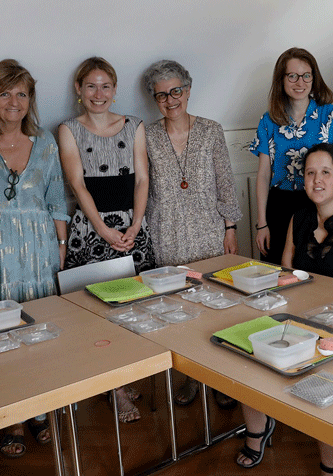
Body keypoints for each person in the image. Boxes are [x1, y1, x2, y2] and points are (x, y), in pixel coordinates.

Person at [238, 144, 333, 476]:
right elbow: (287, 276)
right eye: (310, 173)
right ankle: (259, 425)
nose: (317, 180)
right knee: (249, 349)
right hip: (308, 320)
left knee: (323, 375)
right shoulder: (300, 216)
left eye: (326, 172)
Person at [0, 59, 68, 457]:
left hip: (39, 246)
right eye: (5, 93)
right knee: (2, 333)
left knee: (38, 330)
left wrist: (60, 250)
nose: (14, 101)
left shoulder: (45, 141)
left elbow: (57, 197)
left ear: (31, 100)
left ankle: (40, 409)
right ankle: (12, 416)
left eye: (22, 93)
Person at [59, 56, 154, 423]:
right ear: (79, 91)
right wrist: (101, 227)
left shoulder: (135, 125)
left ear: (115, 89)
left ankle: (126, 371)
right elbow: (77, 183)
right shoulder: (69, 128)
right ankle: (113, 389)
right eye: (91, 86)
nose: (99, 94)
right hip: (91, 227)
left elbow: (142, 179)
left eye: (106, 86)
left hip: (132, 226)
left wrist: (136, 224)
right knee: (99, 311)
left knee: (133, 307)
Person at [142, 59, 241, 408]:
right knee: (177, 308)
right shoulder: (147, 134)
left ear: (188, 90)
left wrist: (230, 227)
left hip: (209, 230)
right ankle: (190, 375)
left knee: (217, 305)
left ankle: (221, 378)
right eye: (161, 95)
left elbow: (226, 182)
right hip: (166, 230)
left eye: (176, 91)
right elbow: (143, 185)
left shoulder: (211, 130)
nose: (170, 100)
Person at [249, 48, 333, 265]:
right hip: (280, 206)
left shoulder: (330, 115)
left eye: (306, 75)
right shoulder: (268, 120)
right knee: (277, 272)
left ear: (314, 78)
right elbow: (263, 174)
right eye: (292, 76)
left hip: (319, 204)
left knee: (316, 270)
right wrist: (262, 224)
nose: (300, 82)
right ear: (282, 79)